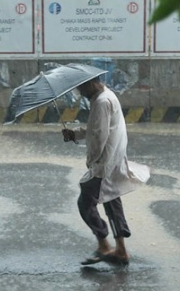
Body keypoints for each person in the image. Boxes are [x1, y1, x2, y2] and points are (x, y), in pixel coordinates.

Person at [62, 77, 150, 266]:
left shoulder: (101, 102)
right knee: (111, 201)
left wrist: (92, 162)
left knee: (85, 202)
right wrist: (75, 134)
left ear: (91, 83)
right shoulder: (106, 96)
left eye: (81, 88)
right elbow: (96, 128)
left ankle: (103, 243)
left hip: (105, 162)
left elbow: (99, 135)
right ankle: (121, 250)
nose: (81, 93)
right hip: (114, 159)